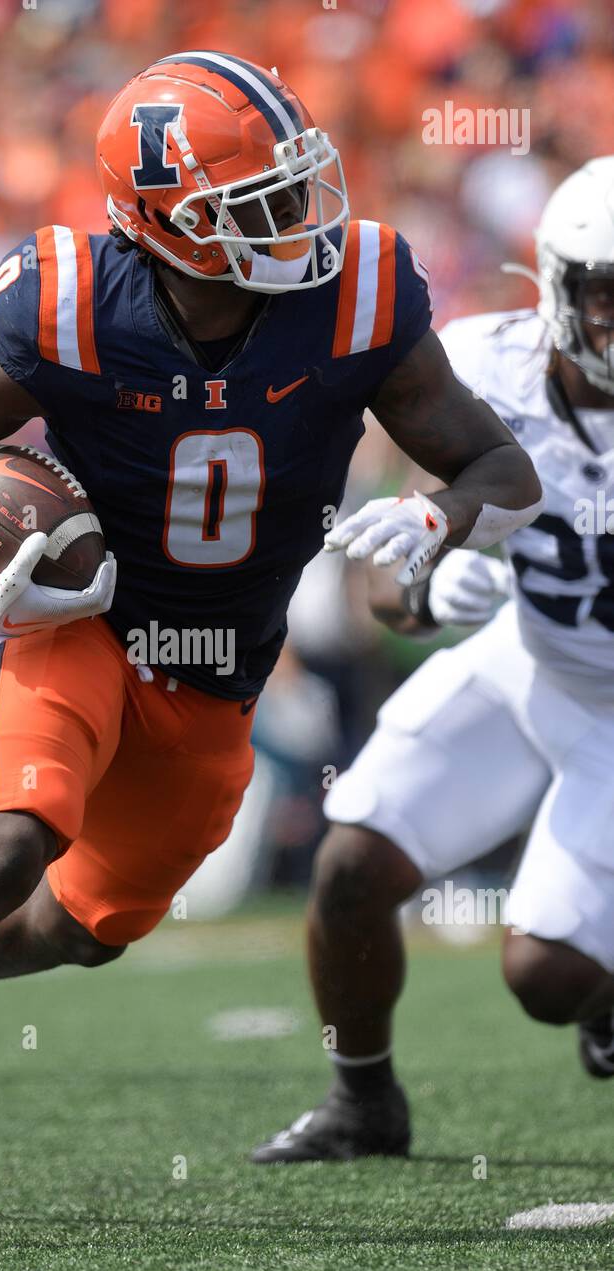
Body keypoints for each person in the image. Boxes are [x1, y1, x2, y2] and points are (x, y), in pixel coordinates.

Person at [0, 52, 541, 1236]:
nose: (299, 223)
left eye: (297, 189)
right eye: (258, 208)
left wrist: (439, 514)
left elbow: (501, 468)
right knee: (18, 827)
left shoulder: (360, 295)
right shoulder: (70, 300)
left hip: (221, 670)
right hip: (85, 617)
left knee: (90, 929)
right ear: (165, 223)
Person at [252, 157, 614, 1164]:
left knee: (543, 975)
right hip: (525, 658)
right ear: (554, 286)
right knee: (351, 862)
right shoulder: (486, 367)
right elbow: (380, 582)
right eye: (607, 294)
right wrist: (423, 584)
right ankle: (361, 1102)